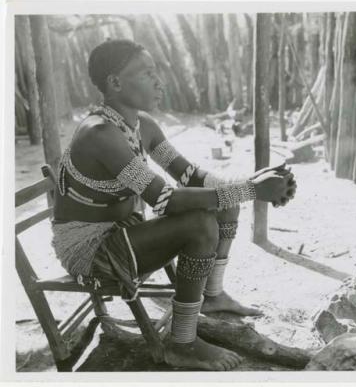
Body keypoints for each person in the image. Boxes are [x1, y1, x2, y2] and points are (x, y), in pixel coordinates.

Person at [51, 39, 297, 371]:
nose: (159, 82)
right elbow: (164, 200)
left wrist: (253, 181)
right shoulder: (100, 134)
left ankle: (211, 296)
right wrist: (252, 190)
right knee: (200, 224)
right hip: (91, 249)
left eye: (157, 72)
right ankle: (183, 343)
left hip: (125, 231)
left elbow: (191, 176)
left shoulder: (143, 126)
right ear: (115, 83)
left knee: (225, 203)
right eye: (147, 73)